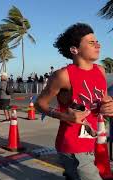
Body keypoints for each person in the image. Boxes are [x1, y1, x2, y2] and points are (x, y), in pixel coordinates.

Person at [35, 23, 113, 180]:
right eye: (91, 42)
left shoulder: (100, 71)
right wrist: (65, 116)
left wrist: (109, 105)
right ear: (74, 50)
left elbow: (103, 98)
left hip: (94, 141)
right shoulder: (63, 76)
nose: (98, 45)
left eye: (97, 41)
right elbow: (40, 104)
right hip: (72, 145)